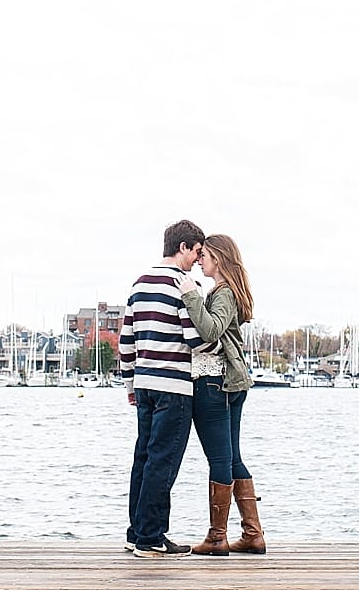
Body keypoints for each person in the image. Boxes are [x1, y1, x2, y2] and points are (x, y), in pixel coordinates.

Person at [119, 219, 206, 559]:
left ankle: (136, 531)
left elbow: (127, 341)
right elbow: (195, 338)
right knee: (163, 461)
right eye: (197, 251)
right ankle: (151, 538)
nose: (198, 259)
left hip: (144, 384)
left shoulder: (139, 283)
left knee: (143, 456)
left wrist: (129, 384)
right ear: (183, 247)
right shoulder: (183, 285)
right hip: (174, 385)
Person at [176, 233, 265, 556]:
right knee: (232, 458)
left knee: (220, 460)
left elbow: (210, 330)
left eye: (205, 256)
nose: (200, 260)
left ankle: (217, 538)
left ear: (219, 259)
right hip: (232, 383)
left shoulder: (223, 293)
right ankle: (252, 534)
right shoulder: (228, 291)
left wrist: (190, 297)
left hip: (216, 383)